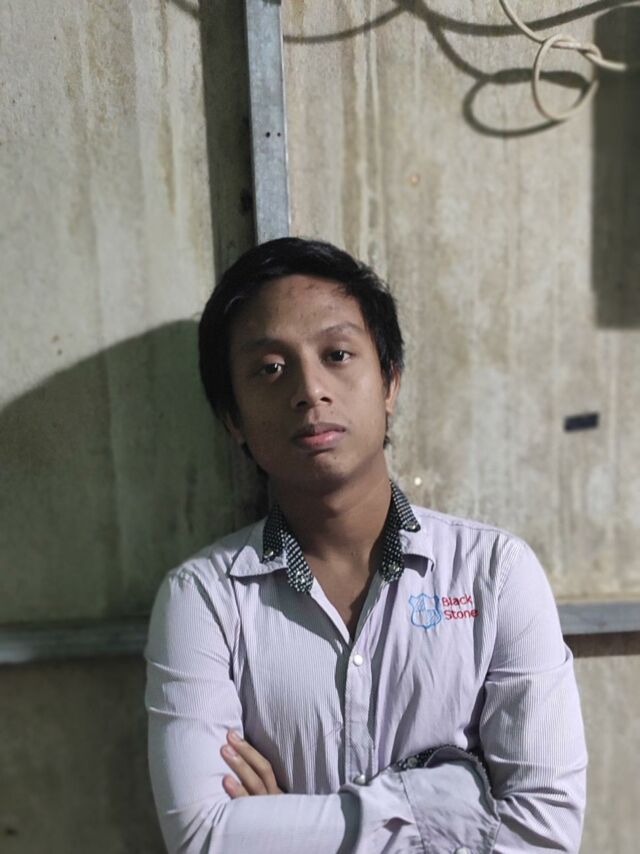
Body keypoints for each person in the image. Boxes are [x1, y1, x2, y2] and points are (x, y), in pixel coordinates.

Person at [145, 237, 587, 853]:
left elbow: (546, 832)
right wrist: (439, 808)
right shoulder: (203, 599)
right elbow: (203, 837)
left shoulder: (494, 573)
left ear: (389, 383)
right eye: (270, 368)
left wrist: (286, 828)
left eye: (337, 354)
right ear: (234, 418)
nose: (310, 389)